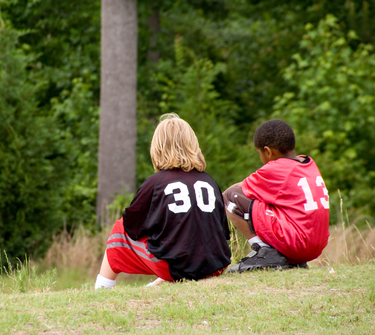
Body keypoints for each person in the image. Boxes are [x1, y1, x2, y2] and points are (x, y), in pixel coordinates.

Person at [95, 113, 231, 289]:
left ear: (157, 147)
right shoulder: (210, 181)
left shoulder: (156, 182)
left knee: (119, 232)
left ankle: (101, 289)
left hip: (176, 267)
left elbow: (131, 227)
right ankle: (164, 280)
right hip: (215, 266)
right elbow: (222, 231)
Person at [223, 119, 329, 272]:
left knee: (231, 197)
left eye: (260, 154)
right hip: (315, 246)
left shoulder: (276, 168)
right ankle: (285, 258)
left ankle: (264, 252)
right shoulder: (308, 164)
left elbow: (240, 189)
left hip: (298, 244)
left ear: (268, 151)